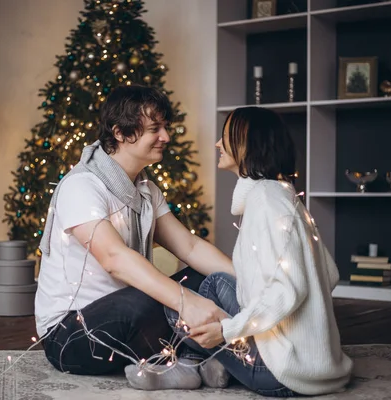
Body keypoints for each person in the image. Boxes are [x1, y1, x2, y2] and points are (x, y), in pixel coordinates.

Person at [125, 106, 354, 397]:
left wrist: (227, 331)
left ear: (246, 142)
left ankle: (193, 366)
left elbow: (288, 291)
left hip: (286, 375)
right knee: (214, 283)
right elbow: (330, 274)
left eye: (225, 137)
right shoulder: (282, 194)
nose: (218, 144)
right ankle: (209, 365)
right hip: (318, 365)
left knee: (178, 301)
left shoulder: (266, 202)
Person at [35, 85, 235, 376]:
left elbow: (189, 247)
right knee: (152, 299)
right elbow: (114, 258)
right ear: (120, 133)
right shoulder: (82, 185)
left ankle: (183, 364)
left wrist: (249, 280)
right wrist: (185, 301)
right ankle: (192, 357)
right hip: (71, 335)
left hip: (129, 316)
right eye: (155, 129)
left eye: (165, 127)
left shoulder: (145, 190)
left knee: (211, 280)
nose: (166, 137)